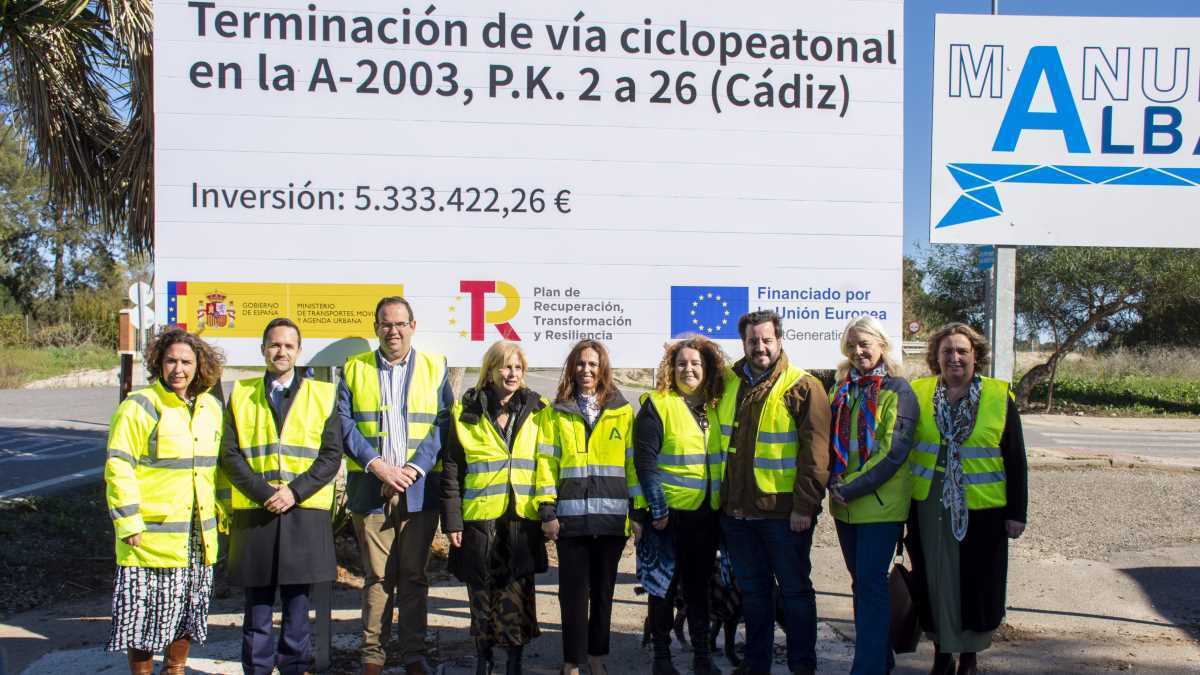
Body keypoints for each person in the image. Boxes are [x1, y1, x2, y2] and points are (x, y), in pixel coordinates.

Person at [218, 317, 343, 675]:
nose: (281, 351)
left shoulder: (322, 394)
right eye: (274, 345)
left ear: (299, 351)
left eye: (289, 346)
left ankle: (293, 668)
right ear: (263, 350)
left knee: (297, 608)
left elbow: (330, 455)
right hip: (257, 514)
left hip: (303, 512)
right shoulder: (241, 393)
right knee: (257, 610)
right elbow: (229, 454)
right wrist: (262, 493)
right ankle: (256, 669)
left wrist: (294, 492)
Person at [338, 296, 453, 675]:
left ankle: (414, 654)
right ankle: (373, 655)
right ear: (376, 328)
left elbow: (442, 424)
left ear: (413, 326)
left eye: (400, 323)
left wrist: (413, 470)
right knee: (377, 577)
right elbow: (344, 425)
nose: (393, 330)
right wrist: (378, 467)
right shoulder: (353, 369)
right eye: (386, 324)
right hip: (371, 491)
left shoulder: (435, 367)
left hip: (419, 491)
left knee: (415, 576)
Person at [713, 310, 831, 675]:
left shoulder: (803, 386)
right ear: (743, 343)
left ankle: (801, 665)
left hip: (784, 516)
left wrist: (805, 507)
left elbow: (816, 454)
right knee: (754, 595)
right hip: (738, 515)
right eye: (752, 340)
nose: (760, 347)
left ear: (779, 340)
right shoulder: (730, 383)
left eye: (766, 339)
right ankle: (756, 663)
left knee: (795, 593)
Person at [906, 323, 1028, 675]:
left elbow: (1015, 460)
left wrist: (1016, 513)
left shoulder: (997, 396)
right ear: (936, 357)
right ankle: (942, 653)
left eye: (962, 351)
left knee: (977, 582)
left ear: (976, 356)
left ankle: (970, 656)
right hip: (929, 506)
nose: (954, 357)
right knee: (935, 580)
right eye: (947, 351)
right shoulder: (918, 392)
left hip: (984, 508)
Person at [104, 327, 224, 674]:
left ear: (199, 365)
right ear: (159, 363)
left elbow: (217, 469)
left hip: (197, 536)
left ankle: (176, 669)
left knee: (187, 610)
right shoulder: (140, 406)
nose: (179, 369)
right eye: (171, 360)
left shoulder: (210, 408)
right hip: (149, 537)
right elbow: (118, 466)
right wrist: (127, 521)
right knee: (142, 619)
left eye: (186, 361)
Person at [441, 341, 549, 675]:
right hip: (480, 520)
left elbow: (546, 461)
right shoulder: (467, 412)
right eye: (505, 366)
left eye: (517, 367)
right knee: (482, 598)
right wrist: (453, 521)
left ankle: (514, 662)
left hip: (520, 520)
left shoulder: (538, 409)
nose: (512, 373)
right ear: (490, 370)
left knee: (517, 598)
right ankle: (483, 659)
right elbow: (452, 471)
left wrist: (548, 510)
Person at [535, 340, 638, 675]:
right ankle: (572, 661)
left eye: (593, 364)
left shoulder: (622, 411)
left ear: (603, 368)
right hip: (571, 521)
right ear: (572, 368)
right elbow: (546, 464)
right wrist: (548, 511)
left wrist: (637, 512)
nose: (586, 370)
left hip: (610, 521)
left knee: (604, 593)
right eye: (580, 364)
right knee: (573, 596)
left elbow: (632, 465)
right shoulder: (556, 412)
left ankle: (596, 657)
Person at [826, 316, 918, 675]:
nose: (858, 351)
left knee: (871, 585)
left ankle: (867, 667)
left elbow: (892, 451)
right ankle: (879, 658)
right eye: (852, 345)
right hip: (844, 507)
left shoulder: (898, 390)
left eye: (865, 343)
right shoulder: (842, 389)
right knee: (862, 585)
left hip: (880, 506)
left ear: (882, 345)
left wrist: (851, 487)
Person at [632, 335, 727, 675]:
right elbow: (645, 462)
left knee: (699, 589)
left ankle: (702, 657)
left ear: (708, 368)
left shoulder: (716, 407)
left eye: (696, 363)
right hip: (667, 517)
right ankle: (662, 657)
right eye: (682, 363)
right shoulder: (657, 405)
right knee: (662, 589)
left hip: (705, 515)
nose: (689, 369)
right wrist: (655, 510)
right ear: (670, 369)